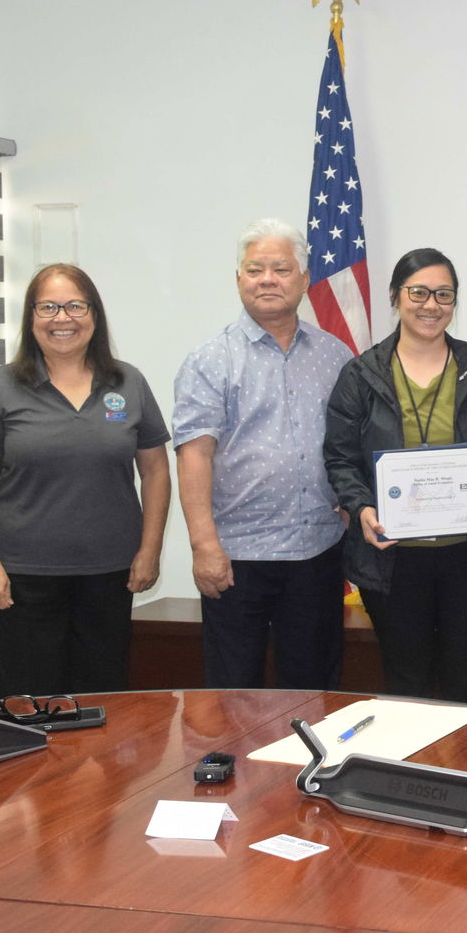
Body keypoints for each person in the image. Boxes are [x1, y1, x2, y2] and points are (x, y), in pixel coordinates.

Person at [0, 264, 171, 696]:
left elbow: (155, 470)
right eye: (48, 307)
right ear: (31, 317)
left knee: (103, 699)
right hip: (22, 579)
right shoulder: (1, 386)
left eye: (75, 305)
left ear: (94, 314)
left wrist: (150, 550)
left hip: (111, 573)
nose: (62, 318)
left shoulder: (128, 382)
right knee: (29, 706)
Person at [323, 248, 467, 702]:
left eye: (444, 295)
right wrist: (362, 507)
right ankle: (416, 773)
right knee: (406, 682)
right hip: (391, 559)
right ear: (395, 296)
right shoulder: (361, 375)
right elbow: (340, 457)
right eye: (419, 292)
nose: (432, 305)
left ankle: (466, 772)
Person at [172, 220, 350, 690]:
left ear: (305, 279)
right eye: (255, 269)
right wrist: (203, 545)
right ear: (238, 279)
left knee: (314, 692)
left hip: (318, 551)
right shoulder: (211, 359)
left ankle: (313, 769)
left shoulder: (335, 356)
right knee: (235, 693)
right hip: (237, 557)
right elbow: (193, 457)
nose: (268, 279)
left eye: (281, 269)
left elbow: (351, 445)